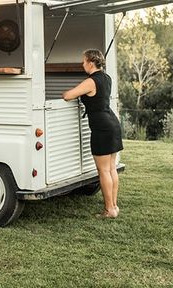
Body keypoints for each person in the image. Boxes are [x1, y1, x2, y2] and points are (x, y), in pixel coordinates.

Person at [62, 49, 123, 219]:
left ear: (90, 62)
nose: (82, 64)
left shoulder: (91, 81)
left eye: (83, 61)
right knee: (111, 168)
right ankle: (114, 207)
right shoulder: (107, 78)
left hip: (102, 128)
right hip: (112, 124)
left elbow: (68, 95)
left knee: (103, 170)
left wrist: (69, 93)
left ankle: (109, 210)